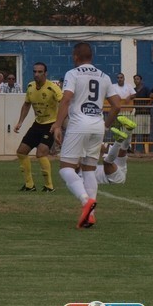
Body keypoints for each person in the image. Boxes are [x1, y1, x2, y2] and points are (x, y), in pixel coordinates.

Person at [50, 42, 121, 229]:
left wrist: (57, 125)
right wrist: (105, 125)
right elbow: (117, 105)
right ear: (91, 57)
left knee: (66, 169)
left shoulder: (72, 74)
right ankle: (91, 215)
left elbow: (66, 99)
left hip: (78, 124)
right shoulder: (104, 76)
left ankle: (85, 201)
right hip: (97, 125)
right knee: (89, 169)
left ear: (75, 57)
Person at [14, 62, 63, 192]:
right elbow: (26, 105)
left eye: (40, 72)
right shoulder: (30, 86)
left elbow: (64, 104)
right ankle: (29, 185)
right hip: (37, 124)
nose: (37, 74)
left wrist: (58, 124)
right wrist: (20, 122)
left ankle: (49, 186)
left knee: (40, 153)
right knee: (21, 152)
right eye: (35, 71)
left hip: (50, 125)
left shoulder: (53, 88)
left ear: (45, 73)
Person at [88, 116, 136, 185]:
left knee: (122, 152)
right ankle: (119, 140)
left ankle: (129, 130)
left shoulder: (82, 170)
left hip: (118, 170)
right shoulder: (82, 174)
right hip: (114, 179)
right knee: (107, 162)